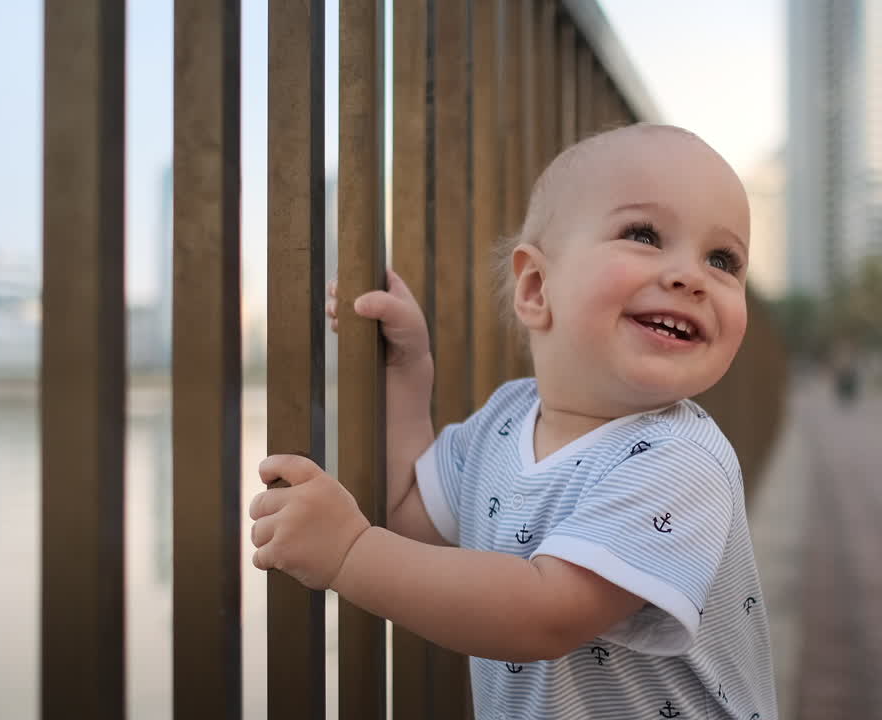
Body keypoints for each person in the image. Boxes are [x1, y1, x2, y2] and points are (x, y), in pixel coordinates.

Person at [248, 124, 777, 719]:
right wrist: (407, 374)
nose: (691, 276)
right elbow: (406, 512)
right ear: (535, 287)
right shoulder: (506, 419)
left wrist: (349, 555)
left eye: (723, 259)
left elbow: (545, 615)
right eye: (646, 235)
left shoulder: (682, 460)